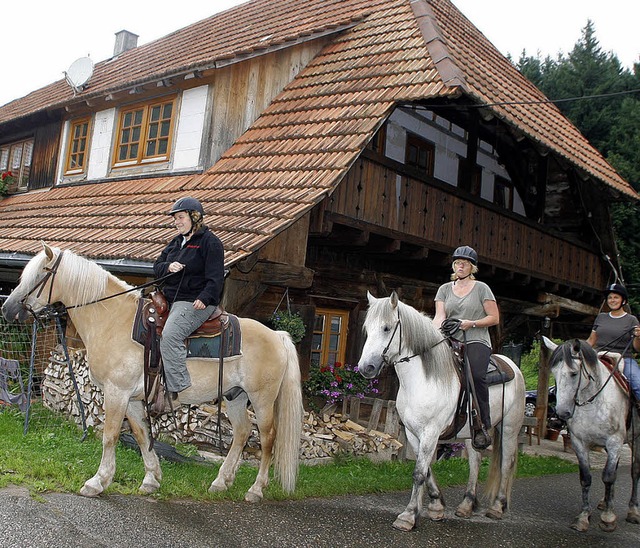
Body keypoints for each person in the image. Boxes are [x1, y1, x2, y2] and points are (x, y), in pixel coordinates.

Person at [153, 196, 225, 398]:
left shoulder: (211, 243)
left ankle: (178, 387)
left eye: (181, 217)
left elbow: (216, 279)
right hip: (169, 298)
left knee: (169, 336)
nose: (177, 222)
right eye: (175, 218)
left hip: (195, 301)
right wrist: (168, 267)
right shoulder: (176, 243)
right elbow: (156, 268)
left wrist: (205, 297)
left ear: (195, 217)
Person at [432, 246, 500, 450]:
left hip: (475, 339)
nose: (460, 266)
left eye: (465, 263)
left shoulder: (482, 288)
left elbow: (494, 318)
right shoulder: (444, 289)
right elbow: (439, 317)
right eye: (457, 263)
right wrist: (432, 333)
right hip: (451, 338)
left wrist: (471, 323)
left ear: (472, 267)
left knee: (477, 376)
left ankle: (482, 424)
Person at [586, 283, 640, 407]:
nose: (612, 300)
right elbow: (591, 341)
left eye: (616, 297)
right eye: (610, 297)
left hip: (623, 359)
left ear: (623, 300)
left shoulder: (631, 320)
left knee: (638, 384)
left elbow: (637, 348)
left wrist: (638, 337)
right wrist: (578, 349)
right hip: (599, 357)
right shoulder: (601, 317)